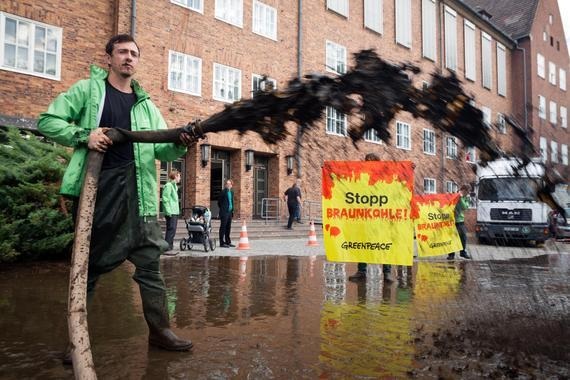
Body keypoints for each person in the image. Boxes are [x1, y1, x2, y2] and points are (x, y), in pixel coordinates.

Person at [37, 34, 194, 362]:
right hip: (99, 191)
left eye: (134, 53)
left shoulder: (146, 104)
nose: (129, 58)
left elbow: (162, 149)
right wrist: (83, 135)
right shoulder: (88, 91)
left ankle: (160, 330)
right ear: (108, 58)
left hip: (141, 196)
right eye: (122, 52)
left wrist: (180, 142)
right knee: (88, 266)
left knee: (150, 264)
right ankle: (75, 339)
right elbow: (47, 121)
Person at [348, 153, 393, 282]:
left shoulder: (385, 176)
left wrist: (409, 169)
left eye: (372, 161)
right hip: (365, 217)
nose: (369, 163)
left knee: (384, 244)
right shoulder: (361, 177)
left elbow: (398, 183)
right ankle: (361, 271)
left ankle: (387, 272)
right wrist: (328, 170)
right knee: (363, 243)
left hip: (381, 217)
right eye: (367, 161)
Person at [448, 184, 472, 260]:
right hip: (452, 220)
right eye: (467, 191)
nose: (468, 193)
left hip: (460, 220)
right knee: (452, 237)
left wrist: (461, 198)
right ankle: (451, 254)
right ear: (463, 190)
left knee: (463, 237)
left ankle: (462, 252)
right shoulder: (454, 195)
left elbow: (464, 207)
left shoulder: (467, 198)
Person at [163, 170, 181, 253]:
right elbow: (165, 199)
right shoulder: (169, 185)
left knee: (172, 230)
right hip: (171, 212)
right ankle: (166, 247)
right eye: (179, 176)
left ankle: (170, 246)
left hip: (175, 211)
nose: (180, 178)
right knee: (171, 229)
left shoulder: (174, 186)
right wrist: (168, 211)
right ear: (175, 176)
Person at [218, 179, 235, 247]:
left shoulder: (232, 192)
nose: (228, 185)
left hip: (230, 212)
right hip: (224, 212)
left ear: (231, 185)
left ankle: (228, 242)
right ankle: (222, 242)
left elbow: (232, 201)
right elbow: (219, 202)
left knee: (228, 227)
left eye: (229, 184)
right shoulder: (223, 192)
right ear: (225, 185)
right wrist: (223, 208)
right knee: (223, 227)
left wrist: (232, 210)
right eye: (227, 184)